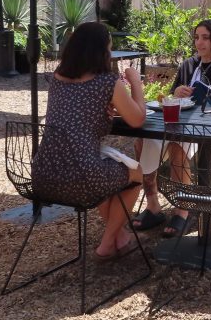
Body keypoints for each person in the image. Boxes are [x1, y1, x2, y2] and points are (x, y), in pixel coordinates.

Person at [32, 22, 145, 260]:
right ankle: (107, 244)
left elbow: (76, 116)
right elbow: (137, 120)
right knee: (137, 174)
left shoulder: (57, 78)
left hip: (43, 174)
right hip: (81, 177)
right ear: (101, 51)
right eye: (109, 49)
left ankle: (121, 237)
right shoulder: (106, 82)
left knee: (106, 169)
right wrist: (136, 82)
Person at [131, 19, 211, 237]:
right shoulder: (188, 65)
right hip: (180, 123)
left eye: (204, 38)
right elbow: (172, 96)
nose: (199, 43)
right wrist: (178, 93)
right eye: (196, 37)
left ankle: (181, 211)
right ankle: (153, 206)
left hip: (209, 129)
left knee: (175, 146)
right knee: (140, 142)